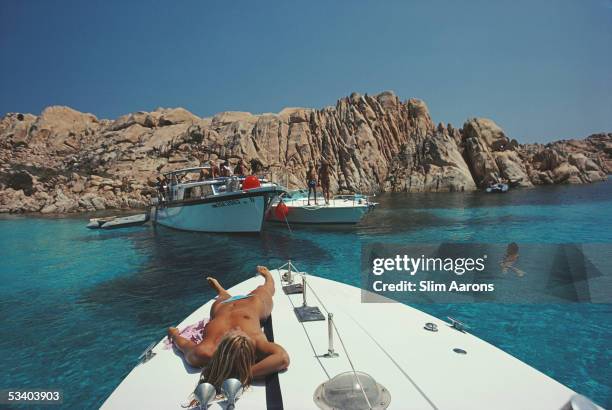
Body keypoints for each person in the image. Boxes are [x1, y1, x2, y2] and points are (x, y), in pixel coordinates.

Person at [168, 266, 290, 390]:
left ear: (223, 345)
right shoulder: (255, 341)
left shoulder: (204, 352)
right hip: (252, 303)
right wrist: (245, 374)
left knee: (223, 300)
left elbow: (183, 345)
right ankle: (268, 277)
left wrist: (174, 334)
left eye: (234, 332)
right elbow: (282, 358)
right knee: (265, 290)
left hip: (223, 306)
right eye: (240, 332)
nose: (237, 327)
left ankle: (222, 292)